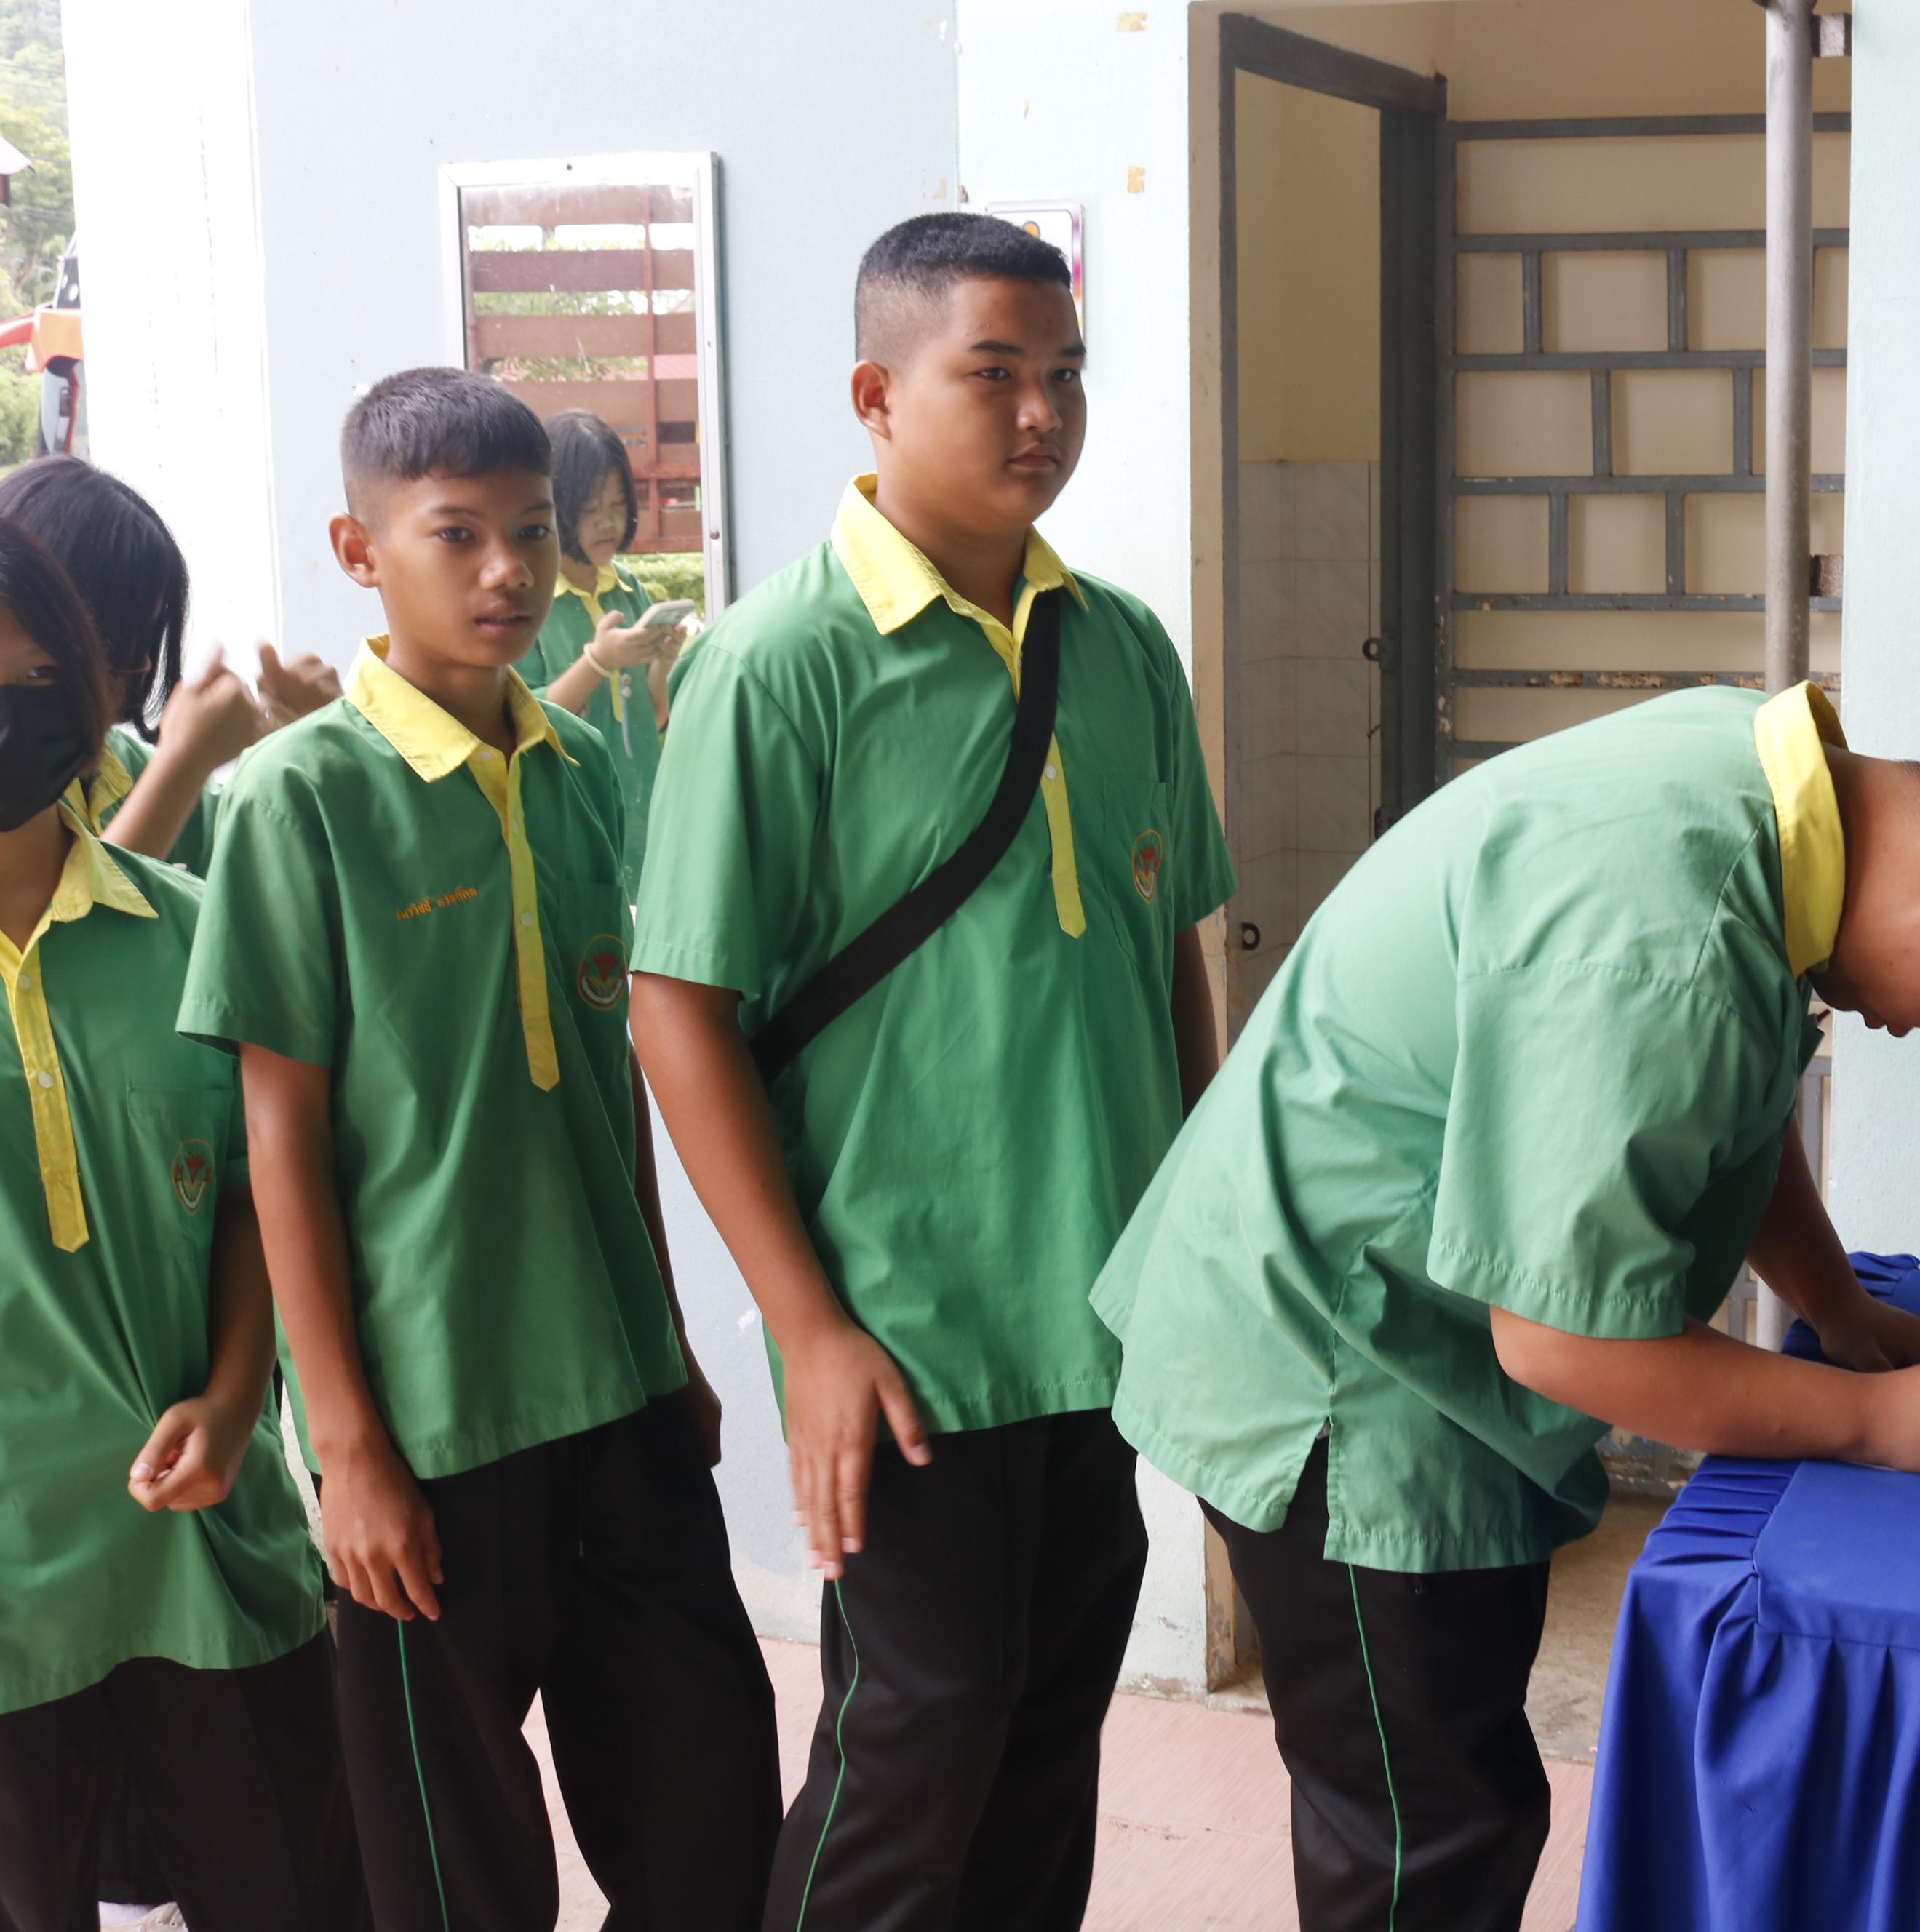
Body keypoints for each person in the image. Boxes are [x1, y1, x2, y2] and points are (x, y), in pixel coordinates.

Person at [1092, 680, 1920, 1931]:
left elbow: (1725, 1094)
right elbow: (1562, 1338)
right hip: (1332, 1372)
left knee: (1460, 1792)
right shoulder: (1661, 925)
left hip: (1391, 1322)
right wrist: (1872, 1422)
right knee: (1425, 1834)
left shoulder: (1766, 788)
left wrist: (1837, 1306)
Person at [631, 212, 1229, 1931]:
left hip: (1091, 1312)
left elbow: (1166, 955)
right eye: (994, 372)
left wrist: (1183, 1242)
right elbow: (679, 1007)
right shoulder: (781, 663)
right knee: (925, 1726)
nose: (1041, 409)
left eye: (1064, 374)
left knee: (1048, 1724)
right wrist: (806, 1326)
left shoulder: (1119, 649)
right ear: (875, 396)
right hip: (902, 1320)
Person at [176, 367, 779, 1931]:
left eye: (529, 533)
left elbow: (612, 1079)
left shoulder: (582, 776)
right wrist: (348, 1448)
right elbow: (278, 1137)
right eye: (459, 534)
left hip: (624, 1394)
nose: (508, 570)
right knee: (456, 1870)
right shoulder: (294, 800)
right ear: (360, 547)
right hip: (429, 1423)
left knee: (710, 1811)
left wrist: (667, 1333)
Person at [0, 518, 366, 1931]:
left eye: (39, 683)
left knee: (295, 1887)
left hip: (202, 1551)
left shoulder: (192, 932)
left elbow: (256, 1202)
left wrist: (230, 1394)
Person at [0, 455, 341, 871]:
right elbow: (65, 924)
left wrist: (307, 750)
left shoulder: (122, 767)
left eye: (147, 634)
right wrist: (183, 765)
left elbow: (259, 870)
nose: (143, 663)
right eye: (117, 634)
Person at [511, 409, 680, 901]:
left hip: (642, 825)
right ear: (555, 506)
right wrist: (598, 663)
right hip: (567, 829)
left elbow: (650, 718)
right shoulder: (528, 601)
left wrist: (663, 662)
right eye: (589, 508)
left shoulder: (630, 592)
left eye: (618, 503)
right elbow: (521, 723)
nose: (608, 521)